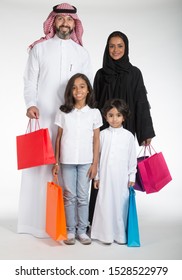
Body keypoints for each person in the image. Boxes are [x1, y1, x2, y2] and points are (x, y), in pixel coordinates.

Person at [18, 3, 93, 238]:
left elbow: (87, 86)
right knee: (41, 167)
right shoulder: (39, 49)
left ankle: (68, 225)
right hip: (43, 116)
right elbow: (30, 80)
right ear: (54, 21)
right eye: (60, 18)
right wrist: (31, 103)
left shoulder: (82, 53)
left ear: (75, 23)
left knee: (68, 167)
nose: (65, 23)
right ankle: (36, 224)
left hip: (71, 121)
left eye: (69, 20)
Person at [89, 31, 155, 226]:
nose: (115, 50)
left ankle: (120, 221)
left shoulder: (134, 73)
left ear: (126, 48)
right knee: (101, 171)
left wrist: (145, 132)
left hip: (127, 127)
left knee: (121, 173)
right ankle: (96, 220)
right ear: (106, 48)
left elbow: (141, 102)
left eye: (120, 46)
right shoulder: (101, 75)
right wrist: (91, 130)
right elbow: (94, 104)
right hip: (103, 131)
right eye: (111, 46)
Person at [52, 73, 103, 245]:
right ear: (70, 91)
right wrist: (56, 161)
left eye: (82, 86)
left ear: (88, 89)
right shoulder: (63, 112)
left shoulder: (95, 113)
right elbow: (58, 138)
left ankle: (82, 230)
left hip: (86, 161)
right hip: (66, 161)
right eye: (74, 87)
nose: (78, 90)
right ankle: (70, 230)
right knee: (69, 196)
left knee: (82, 196)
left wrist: (95, 164)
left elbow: (96, 140)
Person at [91, 98, 137, 244]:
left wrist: (132, 175)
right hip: (105, 177)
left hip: (121, 178)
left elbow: (131, 158)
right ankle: (104, 234)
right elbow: (96, 158)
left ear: (123, 117)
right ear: (105, 117)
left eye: (118, 115)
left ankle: (119, 235)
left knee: (120, 205)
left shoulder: (129, 136)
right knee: (105, 204)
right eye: (110, 115)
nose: (114, 119)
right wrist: (96, 176)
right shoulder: (102, 135)